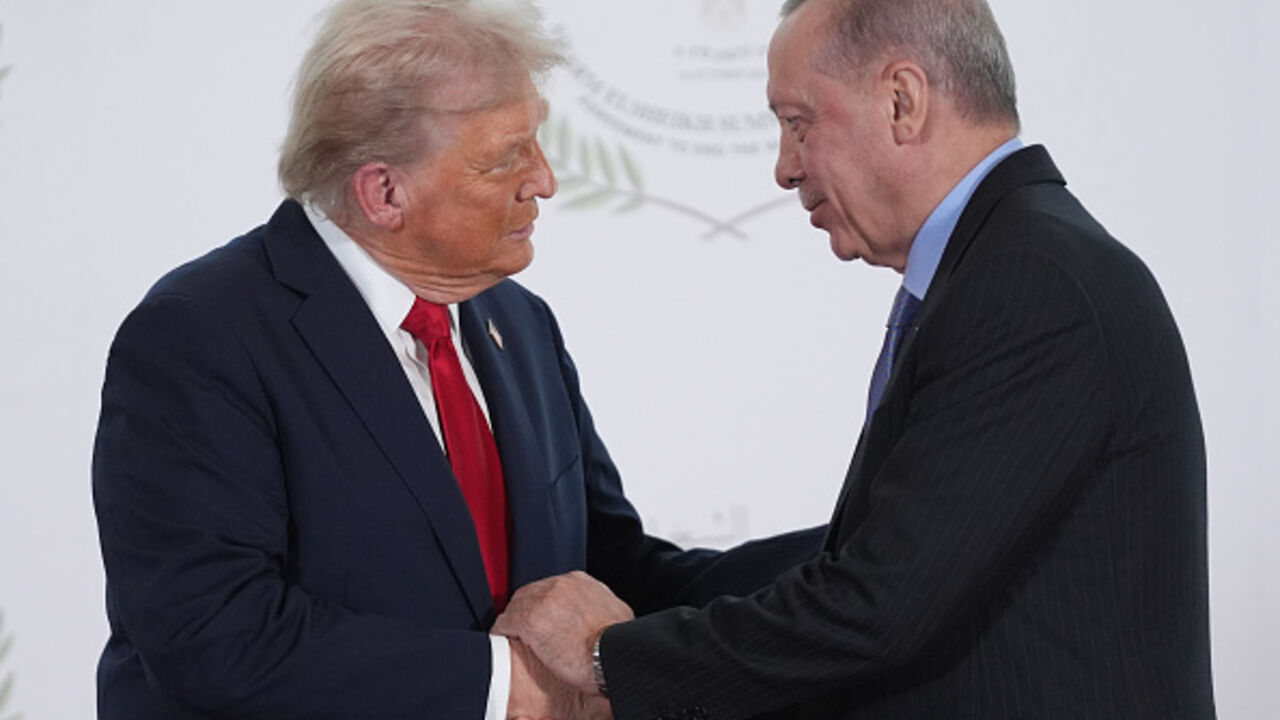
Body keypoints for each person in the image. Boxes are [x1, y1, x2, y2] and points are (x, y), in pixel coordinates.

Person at [90, 1, 820, 718]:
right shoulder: (201, 336)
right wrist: (505, 686)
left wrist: (854, 556)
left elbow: (613, 574)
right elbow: (214, 636)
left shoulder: (518, 323)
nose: (544, 179)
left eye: (536, 143)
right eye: (505, 158)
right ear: (384, 192)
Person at [493, 0, 1217, 718]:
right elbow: (890, 558)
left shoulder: (1030, 283)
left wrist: (607, 657)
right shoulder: (1012, 262)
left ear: (903, 101)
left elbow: (879, 604)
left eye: (797, 123)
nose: (784, 168)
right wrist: (652, 602)